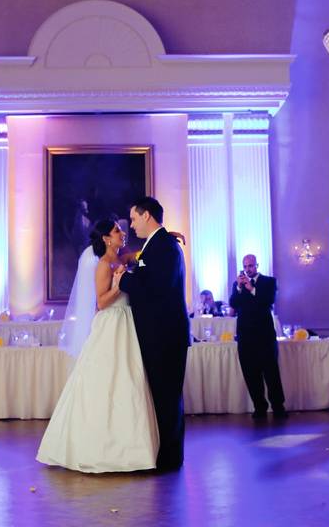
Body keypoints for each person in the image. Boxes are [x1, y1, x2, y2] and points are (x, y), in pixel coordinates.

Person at [37, 220, 159, 473]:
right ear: (106, 238)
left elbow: (137, 256)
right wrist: (117, 285)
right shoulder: (103, 264)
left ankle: (131, 447)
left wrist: (166, 237)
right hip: (111, 323)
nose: (123, 233)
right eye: (117, 231)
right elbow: (101, 302)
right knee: (106, 380)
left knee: (128, 379)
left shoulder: (121, 260)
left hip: (126, 322)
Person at [116, 196, 190, 471]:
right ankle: (163, 453)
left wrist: (124, 279)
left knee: (167, 397)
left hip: (165, 336)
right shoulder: (158, 245)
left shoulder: (165, 247)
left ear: (147, 215)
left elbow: (157, 286)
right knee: (161, 396)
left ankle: (169, 459)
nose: (131, 225)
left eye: (134, 218)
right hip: (159, 335)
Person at [229, 254, 285, 420]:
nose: (248, 269)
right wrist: (239, 288)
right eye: (245, 266)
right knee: (250, 373)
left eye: (251, 266)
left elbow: (268, 301)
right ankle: (259, 406)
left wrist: (251, 289)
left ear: (257, 265)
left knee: (271, 372)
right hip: (245, 336)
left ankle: (278, 407)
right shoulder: (237, 285)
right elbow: (233, 304)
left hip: (265, 335)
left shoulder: (269, 282)